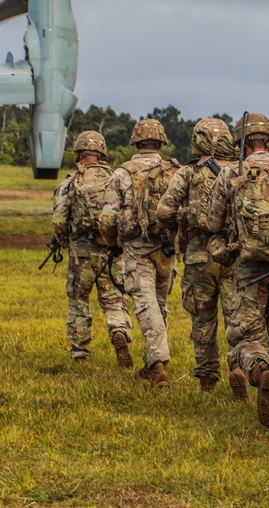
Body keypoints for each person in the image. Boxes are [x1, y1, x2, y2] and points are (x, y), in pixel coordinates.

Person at [205, 112, 269, 426]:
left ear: (241, 145)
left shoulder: (230, 175)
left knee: (246, 337)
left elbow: (212, 222)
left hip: (248, 268)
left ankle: (260, 373)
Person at [156, 118, 238, 393]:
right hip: (235, 257)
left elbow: (164, 212)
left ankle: (207, 380)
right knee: (237, 317)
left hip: (199, 256)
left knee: (203, 320)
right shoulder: (242, 171)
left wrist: (181, 223)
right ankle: (239, 367)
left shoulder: (188, 173)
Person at [99, 119, 180, 387]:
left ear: (135, 141)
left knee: (146, 306)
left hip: (137, 249)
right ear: (161, 142)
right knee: (160, 304)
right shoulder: (174, 171)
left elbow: (108, 219)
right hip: (167, 250)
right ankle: (153, 360)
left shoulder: (122, 173)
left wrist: (113, 244)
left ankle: (157, 366)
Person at [52, 130, 134, 367]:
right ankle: (119, 330)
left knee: (79, 301)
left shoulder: (70, 182)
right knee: (114, 299)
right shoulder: (117, 179)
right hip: (112, 252)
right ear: (102, 153)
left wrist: (66, 243)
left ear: (78, 153)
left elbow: (59, 221)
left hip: (82, 253)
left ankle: (80, 351)